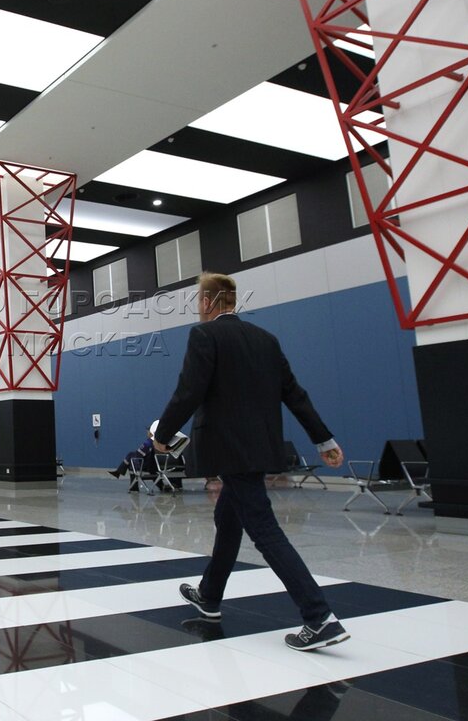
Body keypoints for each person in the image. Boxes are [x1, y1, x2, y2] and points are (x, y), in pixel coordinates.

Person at [152, 272, 349, 652]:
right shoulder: (266, 340)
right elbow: (294, 394)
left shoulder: (204, 335)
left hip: (228, 449)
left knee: (264, 529)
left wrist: (163, 434)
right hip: (261, 446)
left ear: (207, 302)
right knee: (228, 519)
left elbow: (189, 391)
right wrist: (323, 440)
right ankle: (209, 595)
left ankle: (319, 617)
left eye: (198, 301)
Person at [108, 427, 184, 491]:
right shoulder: (163, 442)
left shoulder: (149, 442)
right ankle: (119, 472)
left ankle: (132, 486)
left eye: (148, 431)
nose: (147, 433)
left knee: (132, 461)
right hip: (156, 465)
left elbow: (139, 454)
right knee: (132, 458)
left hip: (150, 466)